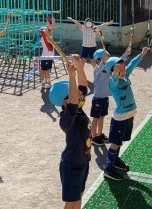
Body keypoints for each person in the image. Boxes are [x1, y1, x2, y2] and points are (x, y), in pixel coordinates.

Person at [48, 55, 90, 209]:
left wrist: (79, 67)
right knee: (71, 203)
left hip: (82, 161)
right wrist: (71, 77)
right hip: (72, 165)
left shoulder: (78, 108)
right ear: (64, 102)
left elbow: (83, 87)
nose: (80, 95)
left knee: (79, 197)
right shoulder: (67, 119)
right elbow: (73, 101)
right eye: (73, 93)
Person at [103, 47, 150, 181]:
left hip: (129, 115)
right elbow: (114, 79)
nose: (123, 71)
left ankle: (115, 160)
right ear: (112, 72)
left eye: (123, 69)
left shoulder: (126, 76)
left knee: (120, 142)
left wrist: (141, 54)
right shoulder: (113, 84)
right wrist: (116, 73)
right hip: (120, 119)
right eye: (118, 70)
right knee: (115, 143)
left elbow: (132, 64)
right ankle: (109, 169)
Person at [90, 47, 131, 146]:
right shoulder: (97, 70)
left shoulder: (109, 69)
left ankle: (100, 134)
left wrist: (125, 54)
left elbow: (116, 63)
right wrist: (104, 61)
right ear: (99, 60)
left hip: (105, 98)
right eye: (105, 58)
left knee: (102, 117)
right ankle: (93, 136)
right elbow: (100, 68)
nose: (108, 59)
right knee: (95, 118)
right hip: (97, 99)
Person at [39, 21, 55, 89]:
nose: (49, 31)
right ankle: (45, 83)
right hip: (45, 57)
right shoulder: (43, 38)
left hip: (50, 57)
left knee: (46, 70)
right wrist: (49, 24)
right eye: (48, 30)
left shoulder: (50, 37)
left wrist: (53, 23)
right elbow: (46, 30)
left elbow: (52, 29)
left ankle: (46, 82)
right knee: (44, 70)